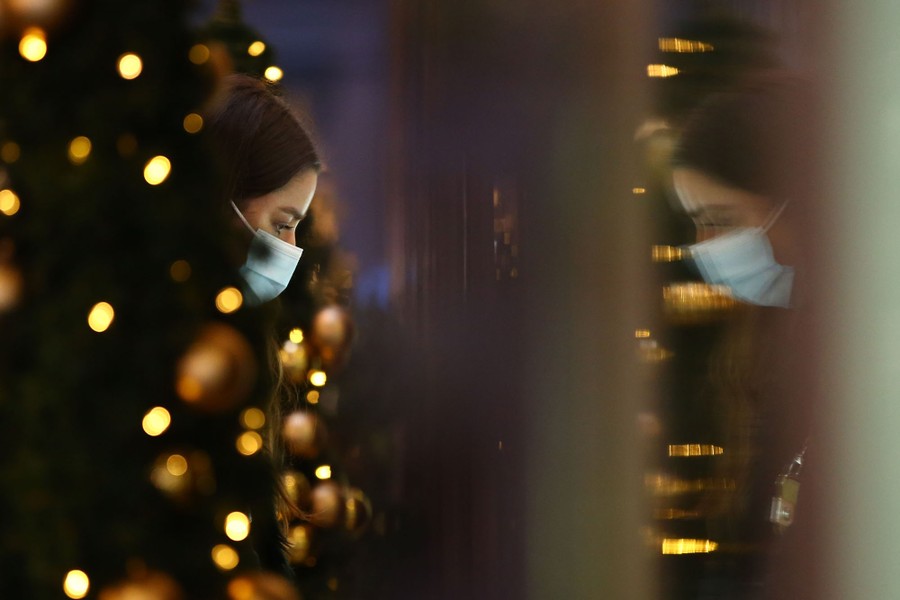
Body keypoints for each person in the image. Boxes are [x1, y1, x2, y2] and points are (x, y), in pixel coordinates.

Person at [670, 72, 815, 599]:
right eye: (694, 222)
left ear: (795, 204)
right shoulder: (772, 344)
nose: (703, 245)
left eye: (720, 218)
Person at [204, 73, 322, 579]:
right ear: (224, 198)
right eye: (281, 222)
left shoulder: (251, 343)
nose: (292, 247)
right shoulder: (187, 356)